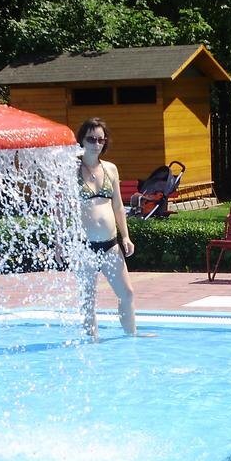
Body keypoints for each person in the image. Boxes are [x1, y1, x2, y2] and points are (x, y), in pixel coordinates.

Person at [74, 117, 137, 340]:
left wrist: (126, 237)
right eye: (91, 139)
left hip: (110, 245)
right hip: (84, 247)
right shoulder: (71, 169)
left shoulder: (110, 169)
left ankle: (131, 337)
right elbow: (61, 209)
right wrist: (59, 242)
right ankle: (91, 341)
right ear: (82, 140)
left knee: (127, 294)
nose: (96, 144)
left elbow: (118, 206)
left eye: (100, 139)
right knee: (88, 300)